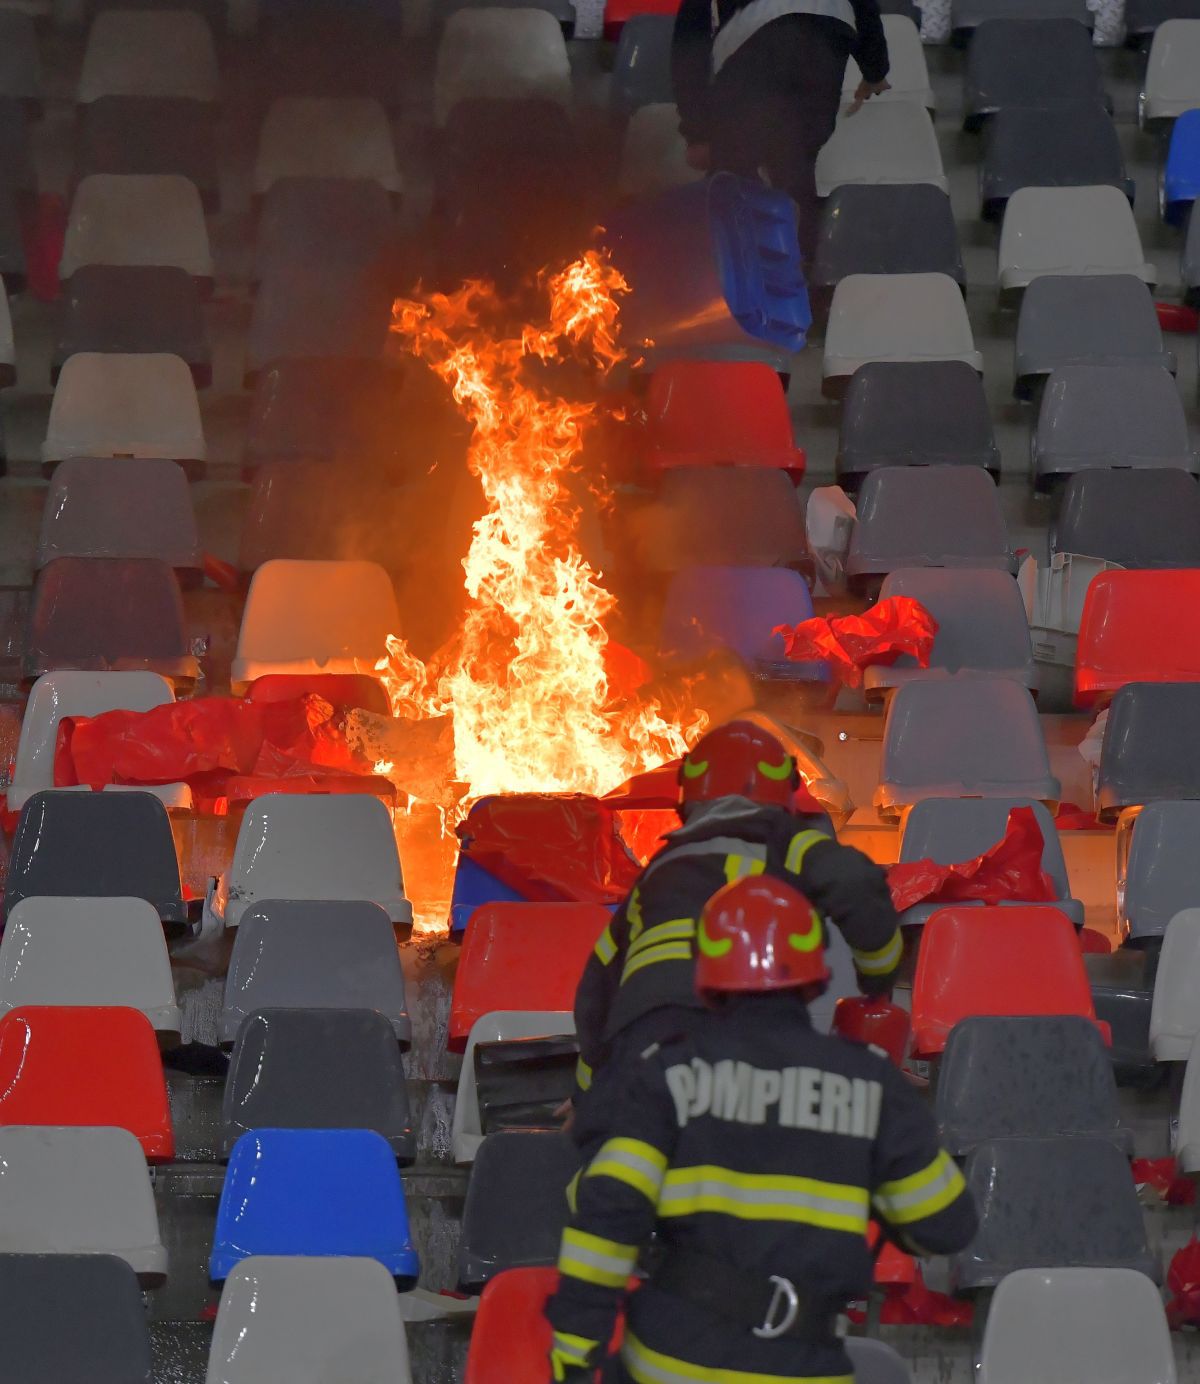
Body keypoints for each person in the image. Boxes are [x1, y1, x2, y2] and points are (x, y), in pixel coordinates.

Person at [545, 875, 977, 1383]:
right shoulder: (869, 1082)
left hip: (672, 1363)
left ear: (707, 974)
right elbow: (945, 1226)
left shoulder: (666, 1075)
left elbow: (605, 1221)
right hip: (804, 1365)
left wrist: (573, 1360)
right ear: (815, 972)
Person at [571, 718, 902, 1103]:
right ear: (784, 791)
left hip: (645, 1053)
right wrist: (877, 980)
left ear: (689, 798)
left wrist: (586, 1096)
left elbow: (594, 995)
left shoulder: (659, 869)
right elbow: (855, 884)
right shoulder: (783, 841)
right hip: (735, 1038)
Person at [671, 0, 892, 261]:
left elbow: (690, 39)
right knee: (796, 169)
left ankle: (729, 283)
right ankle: (799, 284)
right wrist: (875, 69)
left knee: (732, 169)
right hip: (827, 32)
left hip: (755, 37)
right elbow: (865, 7)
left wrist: (697, 133)